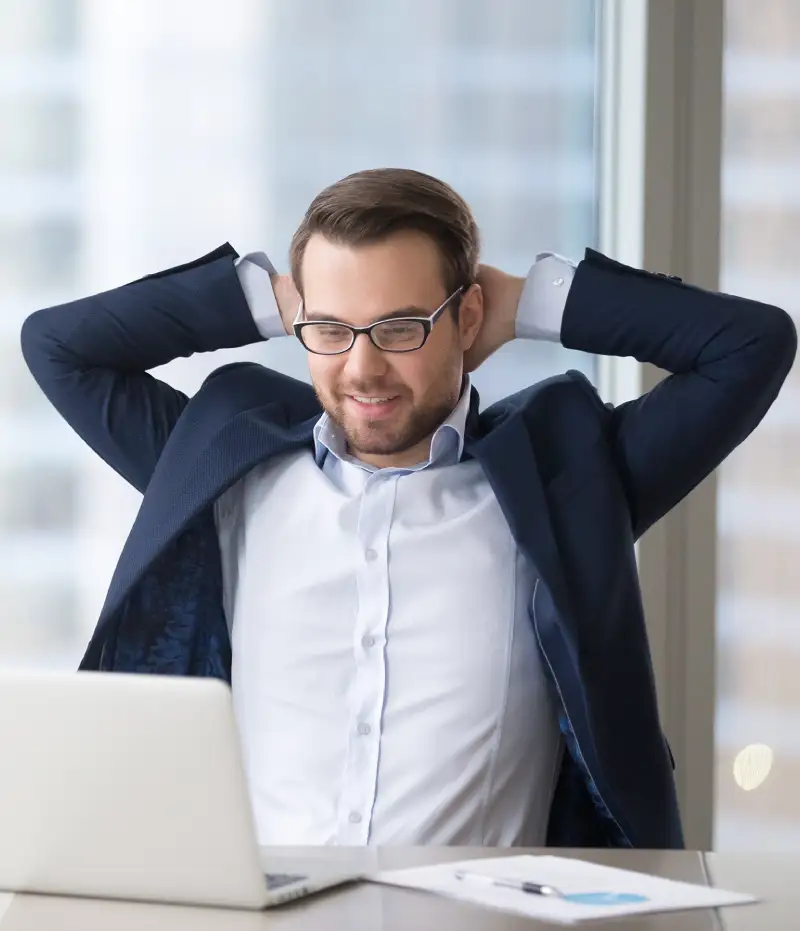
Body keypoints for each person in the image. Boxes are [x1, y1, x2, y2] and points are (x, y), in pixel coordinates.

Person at [21, 168, 796, 850]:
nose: (362, 367)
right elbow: (58, 345)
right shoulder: (225, 468)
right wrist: (270, 298)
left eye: (400, 327)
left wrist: (529, 304)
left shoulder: (566, 480)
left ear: (466, 319)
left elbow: (749, 346)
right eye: (329, 329)